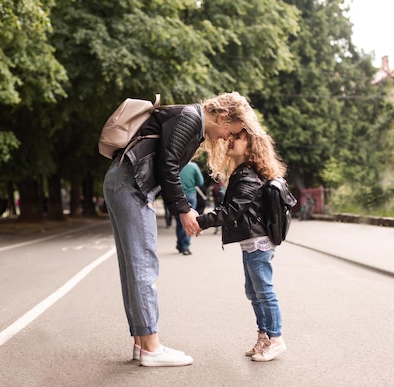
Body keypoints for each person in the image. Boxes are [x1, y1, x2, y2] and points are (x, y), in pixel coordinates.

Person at [103, 92, 254, 367]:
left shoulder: (188, 119)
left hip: (122, 182)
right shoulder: (190, 117)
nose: (224, 138)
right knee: (142, 266)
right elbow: (168, 166)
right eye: (228, 131)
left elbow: (164, 162)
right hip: (131, 186)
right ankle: (151, 348)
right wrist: (184, 210)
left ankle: (141, 343)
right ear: (222, 116)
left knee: (132, 267)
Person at [195, 122, 288, 362]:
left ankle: (276, 339)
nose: (230, 140)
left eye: (238, 138)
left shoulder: (248, 175)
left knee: (264, 291)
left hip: (258, 241)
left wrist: (201, 221)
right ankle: (264, 336)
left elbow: (231, 211)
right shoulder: (241, 173)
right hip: (251, 240)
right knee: (253, 291)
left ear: (250, 148)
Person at [175, 161, 204, 255]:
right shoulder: (193, 166)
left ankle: (180, 243)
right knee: (189, 221)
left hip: (177, 196)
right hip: (191, 195)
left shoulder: (175, 165)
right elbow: (200, 181)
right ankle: (185, 246)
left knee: (179, 222)